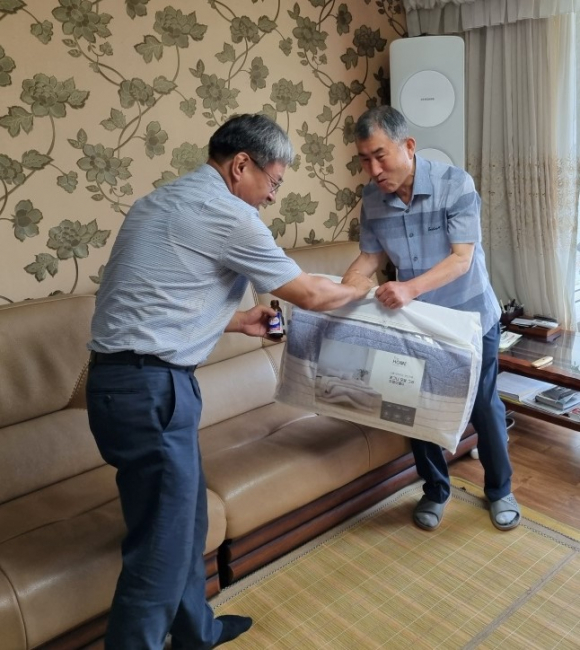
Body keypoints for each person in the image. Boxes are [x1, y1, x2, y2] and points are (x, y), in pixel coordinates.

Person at [86, 113, 374, 650]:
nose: (271, 197)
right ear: (241, 165)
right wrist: (362, 284)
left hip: (120, 387)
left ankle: (196, 632)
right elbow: (312, 295)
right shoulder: (229, 214)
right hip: (153, 393)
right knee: (158, 553)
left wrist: (238, 320)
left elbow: (156, 301)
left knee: (184, 525)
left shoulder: (159, 201)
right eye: (273, 182)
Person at [342, 105, 520, 533]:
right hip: (418, 322)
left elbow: (462, 259)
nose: (373, 169)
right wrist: (341, 288)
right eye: (364, 159)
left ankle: (500, 490)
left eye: (380, 156)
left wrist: (407, 288)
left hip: (470, 316)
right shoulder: (372, 199)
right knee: (412, 404)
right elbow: (370, 258)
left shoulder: (455, 183)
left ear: (408, 146)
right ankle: (436, 490)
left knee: (482, 404)